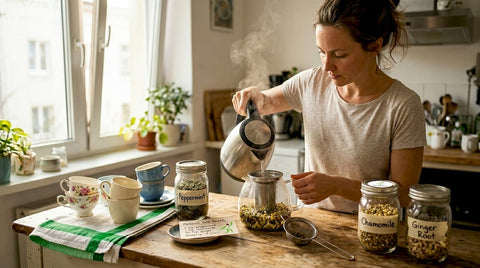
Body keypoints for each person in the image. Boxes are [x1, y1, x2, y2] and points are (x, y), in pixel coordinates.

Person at [231, 0, 426, 213]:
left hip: (372, 229)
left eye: (339, 55)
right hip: (311, 227)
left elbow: (404, 195)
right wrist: (252, 96)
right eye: (321, 52)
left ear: (375, 46)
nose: (326, 65)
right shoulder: (310, 83)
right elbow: (265, 102)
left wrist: (336, 186)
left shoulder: (403, 105)